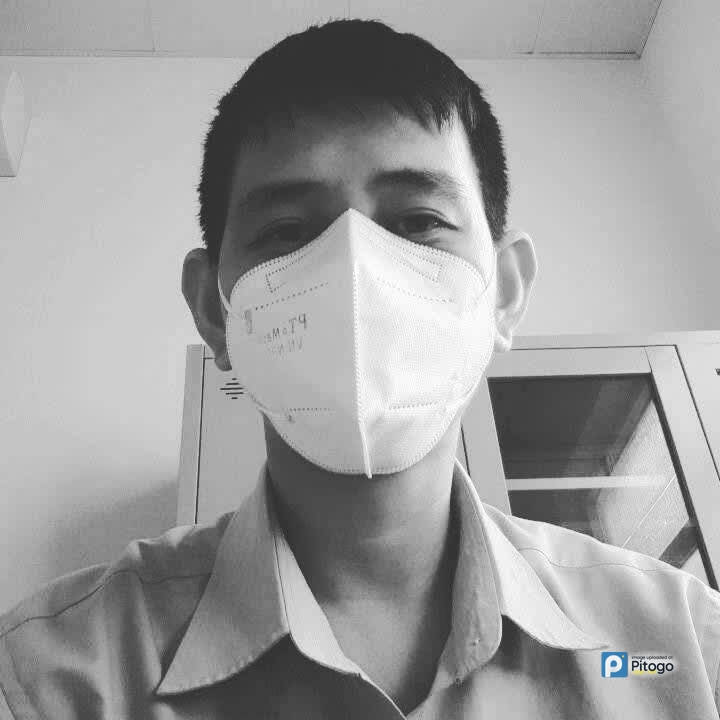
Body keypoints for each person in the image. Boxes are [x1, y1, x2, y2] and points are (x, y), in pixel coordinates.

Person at [1, 17, 719, 720]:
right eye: (287, 231)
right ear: (215, 311)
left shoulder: (678, 648)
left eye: (418, 221)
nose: (356, 273)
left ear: (503, 291)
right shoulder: (53, 680)